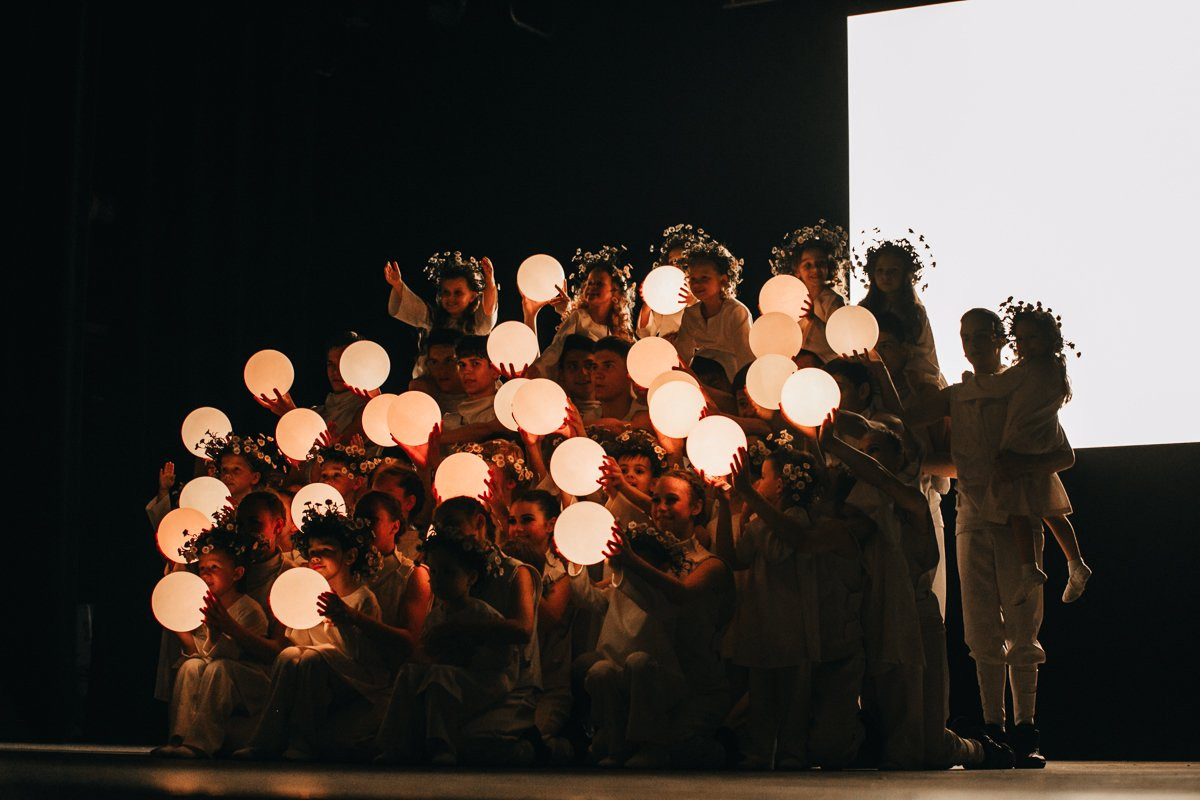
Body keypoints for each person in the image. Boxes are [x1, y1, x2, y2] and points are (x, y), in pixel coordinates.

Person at [908, 308, 1075, 768]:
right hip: (971, 515)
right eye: (966, 336)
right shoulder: (958, 394)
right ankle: (993, 728)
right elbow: (910, 418)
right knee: (980, 622)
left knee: (1023, 620)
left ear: (1002, 340)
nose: (974, 343)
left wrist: (1021, 466)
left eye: (983, 335)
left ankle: (1026, 728)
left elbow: (1061, 452)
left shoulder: (1019, 388)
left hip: (1015, 514)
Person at [820, 417, 1012, 769]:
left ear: (900, 456)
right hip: (873, 620)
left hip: (916, 623)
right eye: (862, 452)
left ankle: (979, 748)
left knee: (924, 751)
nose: (867, 459)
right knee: (894, 741)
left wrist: (836, 445)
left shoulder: (912, 501)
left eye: (874, 450)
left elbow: (880, 477)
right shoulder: (859, 512)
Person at [590, 469, 734, 768]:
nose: (660, 508)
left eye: (671, 500)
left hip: (695, 685)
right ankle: (618, 746)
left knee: (685, 747)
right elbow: (598, 594)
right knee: (603, 670)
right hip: (645, 678)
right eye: (655, 500)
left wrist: (633, 563)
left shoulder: (709, 564)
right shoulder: (645, 554)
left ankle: (673, 747)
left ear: (695, 508)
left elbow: (681, 595)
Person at [957, 301, 1090, 604]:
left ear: (1049, 339)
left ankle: (1029, 567)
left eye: (1033, 338)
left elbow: (996, 387)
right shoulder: (1057, 372)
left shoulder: (1026, 371)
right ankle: (1075, 562)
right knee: (1050, 512)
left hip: (1021, 447)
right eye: (1022, 339)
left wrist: (967, 384)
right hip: (1042, 442)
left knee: (1018, 510)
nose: (1026, 345)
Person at [236, 505, 387, 760]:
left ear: (349, 556)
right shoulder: (310, 594)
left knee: (312, 657)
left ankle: (302, 742)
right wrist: (285, 616)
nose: (316, 559)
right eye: (312, 553)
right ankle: (265, 741)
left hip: (358, 682)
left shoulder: (362, 599)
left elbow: (361, 657)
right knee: (290, 655)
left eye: (326, 552)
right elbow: (296, 645)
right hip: (316, 671)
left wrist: (343, 620)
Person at [711, 443, 824, 769]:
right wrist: (724, 507)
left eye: (761, 477)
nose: (756, 484)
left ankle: (792, 752)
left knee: (793, 697)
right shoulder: (761, 519)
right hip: (761, 622)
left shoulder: (797, 517)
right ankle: (759, 752)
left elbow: (779, 550)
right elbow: (733, 560)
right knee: (761, 695)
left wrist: (751, 503)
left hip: (791, 625)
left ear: (781, 484)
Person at [383, 525, 521, 766]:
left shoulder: (480, 613)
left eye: (448, 573)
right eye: (434, 572)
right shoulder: (436, 613)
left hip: (487, 678)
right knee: (410, 673)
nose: (438, 581)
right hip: (448, 673)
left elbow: (503, 658)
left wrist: (464, 655)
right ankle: (394, 742)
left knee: (440, 676)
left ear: (471, 577)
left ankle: (442, 745)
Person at [156, 516, 270, 758]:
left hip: (246, 682)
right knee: (191, 667)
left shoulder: (249, 609)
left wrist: (221, 629)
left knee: (219, 669)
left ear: (237, 573)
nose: (206, 574)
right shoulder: (201, 607)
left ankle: (199, 744)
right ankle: (179, 739)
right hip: (216, 670)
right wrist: (177, 625)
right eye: (202, 568)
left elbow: (230, 656)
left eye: (215, 568)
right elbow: (200, 655)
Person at [384, 251, 499, 379]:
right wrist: (398, 284)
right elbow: (413, 306)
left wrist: (490, 281)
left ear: (472, 296)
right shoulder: (433, 319)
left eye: (458, 293)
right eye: (446, 292)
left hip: (469, 384)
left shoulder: (477, 326)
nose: (451, 298)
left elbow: (488, 310)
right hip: (437, 386)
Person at [527, 245, 636, 377]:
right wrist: (538, 369)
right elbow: (557, 347)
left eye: (599, 284)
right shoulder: (579, 317)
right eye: (589, 283)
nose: (592, 287)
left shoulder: (619, 330)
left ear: (614, 293)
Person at [855, 235, 945, 387]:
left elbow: (925, 353)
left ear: (904, 274)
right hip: (871, 377)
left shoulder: (915, 312)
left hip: (910, 381)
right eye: (880, 270)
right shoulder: (864, 309)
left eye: (893, 271)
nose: (885, 276)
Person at [255, 331, 372, 443]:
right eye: (330, 364)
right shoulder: (316, 413)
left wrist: (291, 414)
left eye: (342, 363)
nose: (335, 371)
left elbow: (339, 453)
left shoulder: (370, 410)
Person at [672, 239, 754, 382]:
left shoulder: (736, 312)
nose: (697, 284)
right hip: (702, 377)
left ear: (722, 280)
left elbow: (746, 357)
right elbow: (682, 356)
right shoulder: (691, 315)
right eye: (692, 279)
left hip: (731, 378)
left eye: (704, 278)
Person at [770, 221, 849, 363]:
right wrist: (771, 317)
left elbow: (838, 341)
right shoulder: (789, 299)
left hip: (825, 365)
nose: (815, 270)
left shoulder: (833, 301)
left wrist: (813, 319)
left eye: (820, 264)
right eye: (808, 265)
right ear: (797, 270)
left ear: (828, 267)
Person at [637, 223, 707, 339]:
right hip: (667, 352)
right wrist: (648, 303)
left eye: (681, 260)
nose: (676, 266)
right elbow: (645, 333)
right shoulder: (665, 296)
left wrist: (693, 303)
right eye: (672, 262)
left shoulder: (705, 293)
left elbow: (709, 332)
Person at [438, 334, 507, 445]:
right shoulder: (450, 422)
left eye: (475, 363)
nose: (466, 371)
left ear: (495, 371)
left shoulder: (506, 410)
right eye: (462, 365)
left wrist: (434, 440)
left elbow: (484, 430)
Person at [588, 337, 652, 432]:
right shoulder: (590, 416)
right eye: (594, 367)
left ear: (629, 371)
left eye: (608, 366)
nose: (598, 374)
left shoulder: (646, 415)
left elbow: (617, 427)